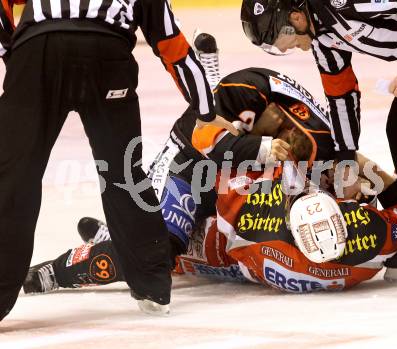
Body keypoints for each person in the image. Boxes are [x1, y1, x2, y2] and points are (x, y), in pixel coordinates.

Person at [0, 0, 240, 320]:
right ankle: (152, 286)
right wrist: (206, 111)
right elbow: (173, 46)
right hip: (107, 56)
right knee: (124, 175)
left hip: (39, 50)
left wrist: (12, 51)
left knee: (13, 178)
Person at [240, 0, 397, 281]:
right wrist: (346, 159)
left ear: (296, 17)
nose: (285, 48)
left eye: (280, 39)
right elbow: (341, 95)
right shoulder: (323, 40)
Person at [23, 152, 397, 295]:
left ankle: (55, 272)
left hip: (220, 247)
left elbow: (207, 178)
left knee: (153, 254)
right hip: (235, 251)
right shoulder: (369, 249)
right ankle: (124, 236)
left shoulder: (264, 227)